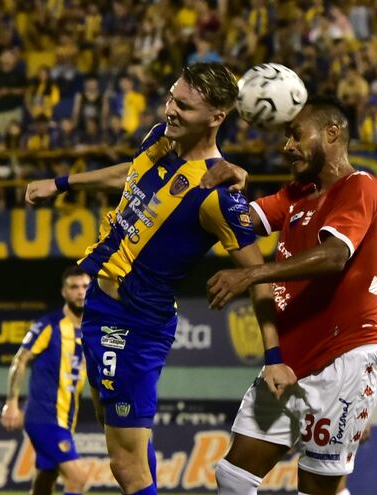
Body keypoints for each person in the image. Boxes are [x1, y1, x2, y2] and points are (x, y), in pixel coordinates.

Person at [24, 62, 287, 495]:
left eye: (184, 105)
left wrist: (273, 354)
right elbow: (132, 170)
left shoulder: (218, 195)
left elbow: (259, 275)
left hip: (133, 323)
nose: (170, 109)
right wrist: (62, 183)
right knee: (119, 433)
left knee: (125, 465)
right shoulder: (159, 141)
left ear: (217, 117)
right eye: (170, 97)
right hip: (99, 307)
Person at [205, 97, 377, 495]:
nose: (286, 146)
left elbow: (334, 256)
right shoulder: (295, 195)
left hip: (342, 361)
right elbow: (237, 222)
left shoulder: (361, 186)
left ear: (332, 133)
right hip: (288, 364)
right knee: (233, 476)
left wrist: (252, 274)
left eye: (295, 135)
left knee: (317, 490)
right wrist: (233, 183)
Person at [1, 266, 91, 495]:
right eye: (74, 287)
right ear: (64, 292)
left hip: (65, 419)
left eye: (85, 287)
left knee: (44, 482)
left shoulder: (92, 330)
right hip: (45, 417)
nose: (80, 292)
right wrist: (11, 402)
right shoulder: (50, 325)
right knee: (77, 479)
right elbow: (20, 360)